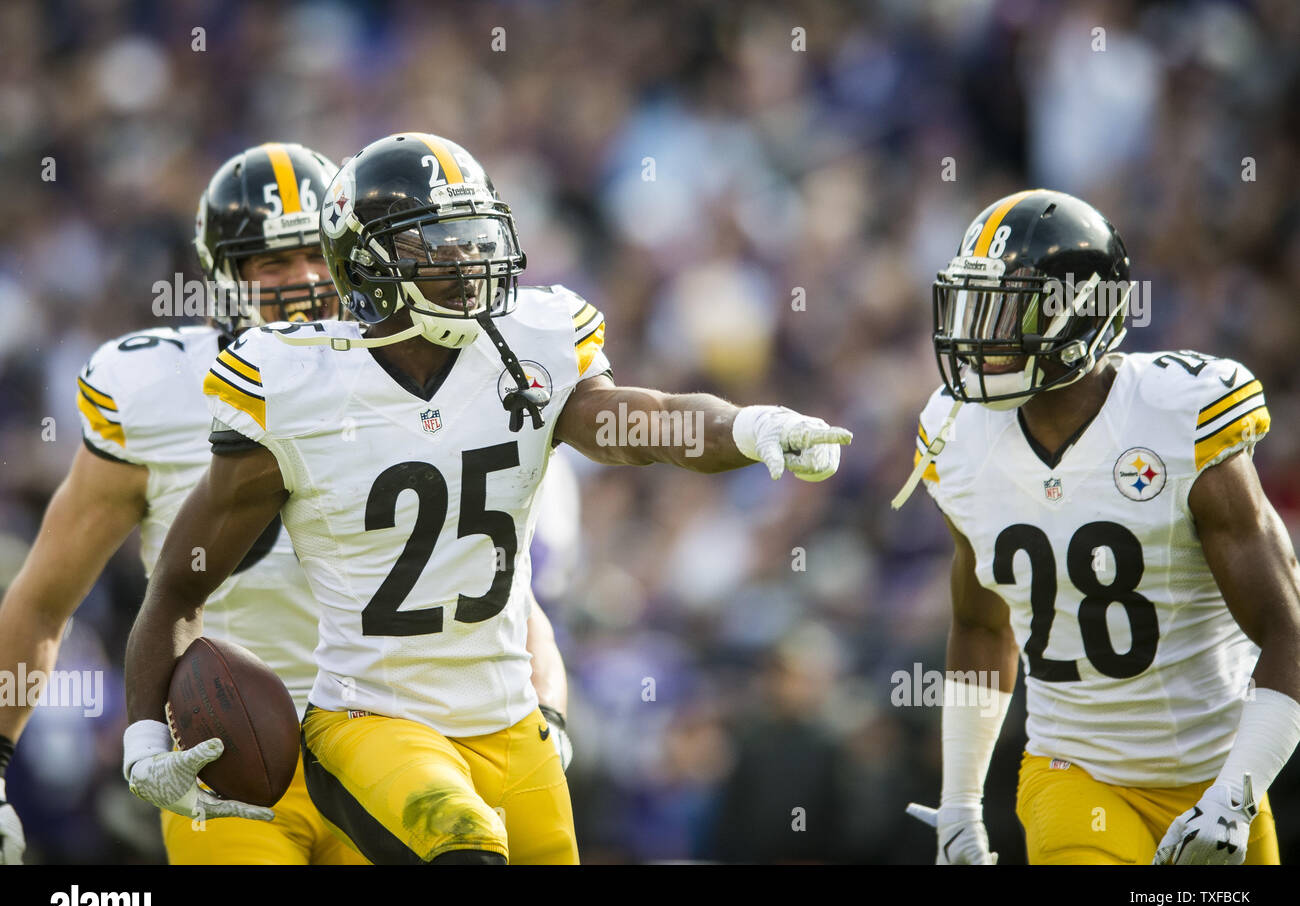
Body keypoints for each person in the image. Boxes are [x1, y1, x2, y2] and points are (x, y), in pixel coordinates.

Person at [118, 131, 852, 864]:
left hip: (509, 722)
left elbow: (646, 420)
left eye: (473, 237)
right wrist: (146, 736)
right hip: (373, 719)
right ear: (369, 263)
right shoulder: (298, 384)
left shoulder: (529, 345)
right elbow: (182, 580)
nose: (466, 261)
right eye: (436, 244)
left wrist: (753, 426)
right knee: (464, 846)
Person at [0, 141, 569, 865]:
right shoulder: (155, 393)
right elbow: (45, 596)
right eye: (271, 263)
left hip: (397, 737)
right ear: (223, 275)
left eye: (311, 254)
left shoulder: (426, 369)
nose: (302, 281)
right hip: (230, 749)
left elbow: (501, 587)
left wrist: (545, 713)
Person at [897, 188, 1300, 865]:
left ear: (1079, 313)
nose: (979, 335)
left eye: (1004, 308)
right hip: (1074, 770)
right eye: (974, 304)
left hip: (1222, 769)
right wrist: (962, 801)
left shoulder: (1179, 420)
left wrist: (1236, 790)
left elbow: (1288, 629)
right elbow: (980, 623)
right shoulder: (958, 436)